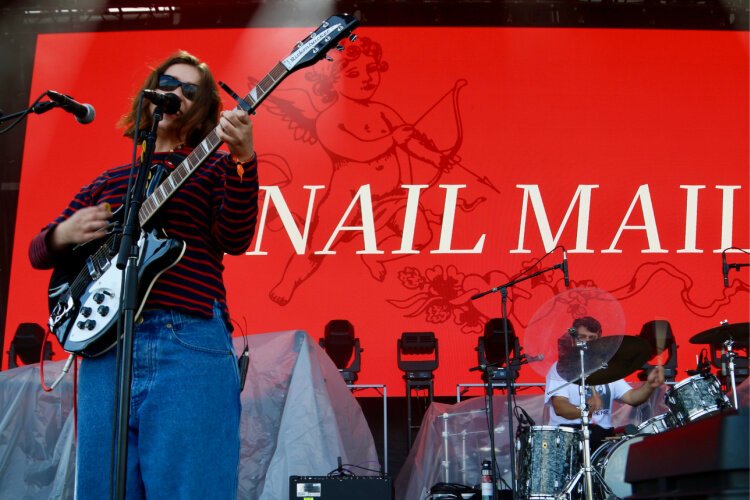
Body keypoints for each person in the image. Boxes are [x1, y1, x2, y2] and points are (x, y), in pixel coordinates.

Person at [29, 51, 257, 499]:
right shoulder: (108, 181)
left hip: (186, 338)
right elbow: (39, 252)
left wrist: (244, 159)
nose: (176, 93)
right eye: (169, 83)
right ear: (150, 95)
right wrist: (63, 234)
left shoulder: (212, 168)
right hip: (106, 353)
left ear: (204, 110)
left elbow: (235, 235)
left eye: (191, 91)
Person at [544, 316, 665, 451]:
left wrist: (649, 386)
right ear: (573, 340)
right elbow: (560, 408)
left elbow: (632, 398)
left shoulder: (607, 367)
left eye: (592, 338)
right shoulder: (561, 368)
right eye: (582, 337)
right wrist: (586, 408)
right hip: (568, 438)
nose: (587, 342)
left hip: (601, 438)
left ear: (600, 339)